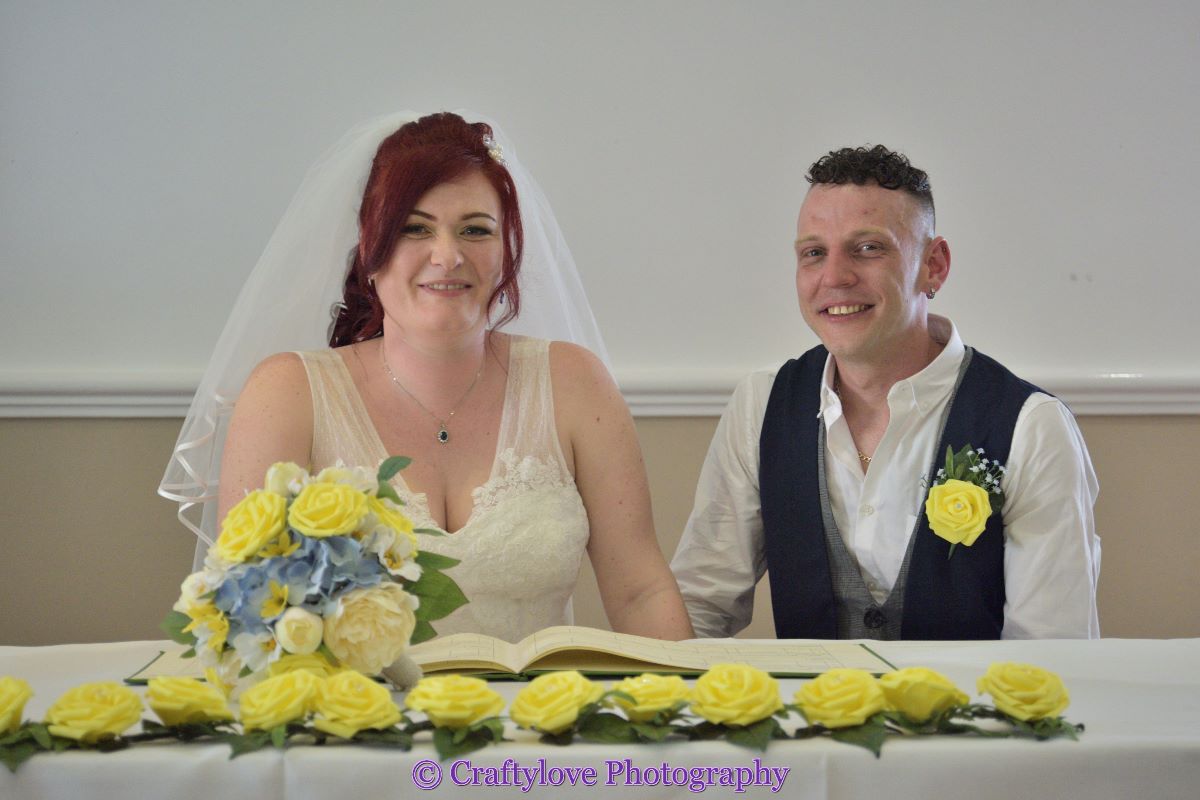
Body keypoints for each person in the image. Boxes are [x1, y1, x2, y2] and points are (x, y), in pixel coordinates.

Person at [161, 111, 692, 643]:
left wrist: (692, 715)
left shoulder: (574, 382)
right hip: (355, 720)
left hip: (538, 718)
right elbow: (250, 608)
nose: (448, 255)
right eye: (415, 228)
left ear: (506, 252)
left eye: (475, 230)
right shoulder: (287, 394)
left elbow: (640, 592)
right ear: (370, 253)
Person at [671, 145, 1100, 640]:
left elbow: (1052, 652)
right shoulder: (760, 405)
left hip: (972, 716)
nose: (835, 277)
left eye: (868, 247)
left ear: (934, 265)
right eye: (814, 253)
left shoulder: (1032, 426)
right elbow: (701, 606)